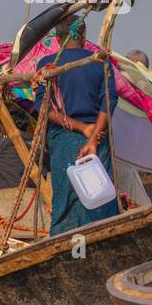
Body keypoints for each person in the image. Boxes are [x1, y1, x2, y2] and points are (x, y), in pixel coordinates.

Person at [33, 17, 119, 235]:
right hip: (97, 137)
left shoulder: (46, 66)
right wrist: (91, 135)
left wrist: (82, 129)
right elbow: (109, 101)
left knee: (65, 198)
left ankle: (65, 244)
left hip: (64, 139)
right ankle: (104, 240)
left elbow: (44, 109)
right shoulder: (100, 62)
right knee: (99, 196)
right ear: (83, 35)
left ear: (58, 39)